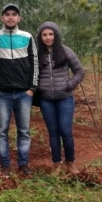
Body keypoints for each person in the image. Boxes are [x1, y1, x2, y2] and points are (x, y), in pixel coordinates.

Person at [0, 4, 38, 177]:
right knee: (2, 131)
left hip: (24, 93)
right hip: (1, 93)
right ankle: (5, 166)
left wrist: (32, 88)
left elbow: (35, 63)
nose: (10, 17)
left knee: (24, 130)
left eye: (14, 15)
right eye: (7, 14)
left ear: (19, 18)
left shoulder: (27, 37)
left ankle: (23, 164)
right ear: (2, 18)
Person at [36, 22, 85, 175]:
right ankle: (56, 164)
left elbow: (79, 71)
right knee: (53, 132)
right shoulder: (37, 54)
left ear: (56, 35)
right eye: (44, 35)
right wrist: (39, 89)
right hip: (46, 99)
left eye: (51, 34)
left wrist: (69, 85)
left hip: (65, 98)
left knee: (66, 131)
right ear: (40, 37)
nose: (48, 37)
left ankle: (70, 163)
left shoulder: (65, 51)